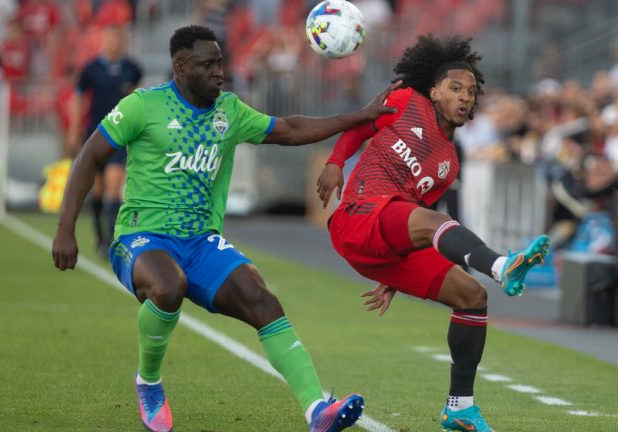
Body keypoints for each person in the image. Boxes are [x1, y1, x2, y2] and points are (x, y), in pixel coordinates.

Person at [52, 25, 399, 432]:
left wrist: (360, 117)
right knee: (168, 287)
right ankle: (148, 382)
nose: (219, 72)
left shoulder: (228, 111)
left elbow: (288, 129)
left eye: (220, 62)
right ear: (180, 68)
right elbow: (89, 157)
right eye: (207, 64)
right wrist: (65, 230)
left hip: (200, 242)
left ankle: (316, 411)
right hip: (140, 236)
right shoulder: (142, 107)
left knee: (264, 302)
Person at [316, 34, 551, 431]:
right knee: (433, 225)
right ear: (435, 90)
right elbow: (360, 126)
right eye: (455, 88)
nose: (464, 98)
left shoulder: (449, 164)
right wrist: (336, 162)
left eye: (471, 92)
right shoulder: (407, 101)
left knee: (471, 296)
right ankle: (501, 266)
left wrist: (393, 271)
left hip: (389, 236)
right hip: (358, 215)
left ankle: (459, 408)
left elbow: (421, 217)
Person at [67, 24, 143, 258]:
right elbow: (78, 99)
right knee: (97, 191)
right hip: (95, 136)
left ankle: (111, 240)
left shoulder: (133, 69)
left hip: (120, 138)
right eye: (109, 39)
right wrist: (74, 130)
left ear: (124, 42)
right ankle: (100, 237)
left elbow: (138, 101)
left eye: (118, 39)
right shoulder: (90, 69)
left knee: (113, 187)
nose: (114, 43)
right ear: (102, 41)